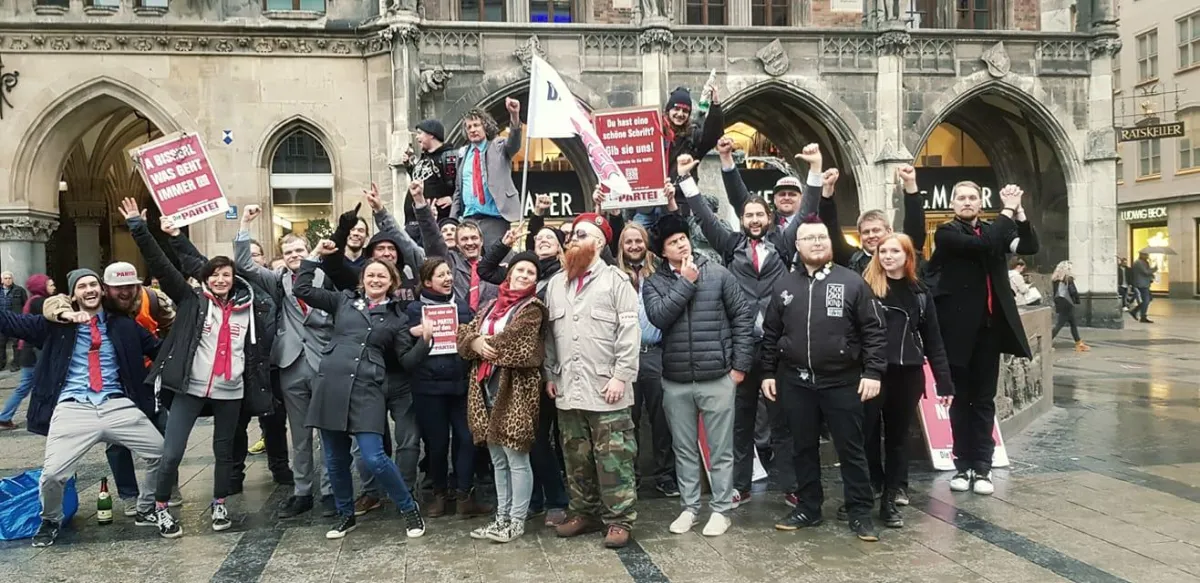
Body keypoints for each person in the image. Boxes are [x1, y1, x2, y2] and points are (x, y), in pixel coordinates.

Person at [121, 198, 276, 539]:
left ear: (234, 279)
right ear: (206, 277)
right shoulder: (192, 300)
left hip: (230, 390)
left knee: (225, 451)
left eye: (226, 275)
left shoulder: (249, 306)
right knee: (172, 452)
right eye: (215, 275)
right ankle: (161, 507)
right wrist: (140, 228)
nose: (220, 280)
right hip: (190, 387)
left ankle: (219, 504)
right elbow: (162, 265)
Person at [679, 146, 820, 507]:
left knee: (782, 419)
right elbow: (703, 216)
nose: (754, 220)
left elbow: (807, 209)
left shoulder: (783, 244)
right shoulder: (730, 245)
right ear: (741, 219)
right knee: (740, 421)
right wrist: (685, 178)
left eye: (760, 215)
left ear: (769, 218)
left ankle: (790, 485)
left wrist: (815, 170)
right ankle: (739, 484)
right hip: (741, 346)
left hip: (776, 347)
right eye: (749, 215)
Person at [0, 268, 161, 547]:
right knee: (53, 475)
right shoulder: (56, 325)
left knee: (161, 454)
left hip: (116, 404)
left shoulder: (122, 325)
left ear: (102, 290)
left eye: (93, 284)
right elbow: (9, 322)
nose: (89, 290)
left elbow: (161, 349)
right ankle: (50, 519)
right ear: (73, 295)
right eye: (82, 286)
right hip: (73, 407)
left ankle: (146, 508)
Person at [761, 216, 887, 542]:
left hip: (843, 381)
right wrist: (767, 373)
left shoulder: (852, 282)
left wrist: (873, 372)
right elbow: (771, 333)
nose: (817, 242)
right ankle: (808, 508)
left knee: (851, 449)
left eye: (822, 237)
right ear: (797, 245)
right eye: (810, 238)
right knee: (802, 448)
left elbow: (873, 331)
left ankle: (860, 512)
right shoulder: (784, 285)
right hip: (796, 382)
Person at [295, 244, 428, 539]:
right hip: (332, 383)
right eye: (371, 275)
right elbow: (302, 290)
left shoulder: (397, 317)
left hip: (368, 388)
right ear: (363, 279)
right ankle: (345, 515)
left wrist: (425, 341)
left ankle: (408, 508)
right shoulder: (344, 300)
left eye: (382, 276)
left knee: (374, 456)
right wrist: (313, 255)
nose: (375, 280)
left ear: (392, 282)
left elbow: (407, 361)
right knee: (334, 458)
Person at [644, 212, 754, 538]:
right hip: (676, 380)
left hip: (717, 376)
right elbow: (659, 317)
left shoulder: (718, 273)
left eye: (683, 239)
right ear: (662, 251)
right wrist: (685, 282)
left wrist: (739, 368)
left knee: (720, 449)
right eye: (672, 242)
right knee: (684, 449)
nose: (681, 245)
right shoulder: (654, 283)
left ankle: (721, 509)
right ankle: (690, 507)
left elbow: (742, 318)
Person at [925, 183, 1038, 496]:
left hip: (990, 329)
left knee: (984, 399)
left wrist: (1020, 212)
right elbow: (983, 245)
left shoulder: (993, 229)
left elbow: (1029, 246)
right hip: (957, 330)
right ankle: (963, 465)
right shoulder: (946, 233)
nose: (967, 202)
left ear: (980, 202)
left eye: (972, 197)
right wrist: (1007, 209)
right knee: (960, 400)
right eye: (961, 198)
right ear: (952, 203)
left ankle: (983, 467)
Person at [44, 261, 180, 513]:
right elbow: (54, 302)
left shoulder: (152, 300)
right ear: (107, 289)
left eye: (130, 286)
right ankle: (129, 495)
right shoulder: (94, 305)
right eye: (119, 288)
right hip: (105, 389)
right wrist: (65, 313)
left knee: (164, 437)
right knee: (115, 447)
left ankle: (165, 490)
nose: (125, 292)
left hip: (143, 377)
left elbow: (168, 335)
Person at [233, 205, 339, 519]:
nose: (294, 255)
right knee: (300, 434)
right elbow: (244, 265)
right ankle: (302, 491)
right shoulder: (278, 279)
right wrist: (244, 223)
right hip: (292, 364)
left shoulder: (327, 277)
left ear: (309, 251)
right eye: (289, 252)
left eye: (299, 250)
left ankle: (331, 490)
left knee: (330, 432)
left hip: (324, 360)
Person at [544, 213, 641, 549]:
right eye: (572, 234)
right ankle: (583, 512)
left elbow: (629, 333)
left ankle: (619, 519)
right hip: (569, 388)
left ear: (599, 243)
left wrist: (620, 376)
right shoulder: (556, 284)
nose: (573, 239)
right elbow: (550, 337)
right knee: (576, 458)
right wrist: (550, 373)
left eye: (581, 234)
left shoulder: (616, 281)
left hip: (607, 389)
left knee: (614, 458)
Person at [861, 233, 955, 527]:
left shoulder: (920, 293)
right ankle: (869, 488)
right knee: (864, 434)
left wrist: (944, 382)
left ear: (907, 257)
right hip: (872, 373)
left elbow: (934, 340)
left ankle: (890, 498)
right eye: (883, 251)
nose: (888, 256)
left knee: (898, 439)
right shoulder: (866, 288)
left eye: (894, 251)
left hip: (907, 372)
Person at [457, 252, 546, 543]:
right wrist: (473, 341)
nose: (524, 275)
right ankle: (501, 517)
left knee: (516, 458)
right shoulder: (490, 306)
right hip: (484, 389)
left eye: (531, 273)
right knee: (498, 460)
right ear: (510, 273)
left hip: (515, 392)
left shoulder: (533, 309)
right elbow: (463, 335)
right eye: (520, 269)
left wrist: (480, 344)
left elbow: (519, 347)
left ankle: (516, 521)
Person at [405, 258, 491, 518]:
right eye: (441, 275)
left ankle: (465, 495)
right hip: (428, 389)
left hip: (460, 387)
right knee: (437, 444)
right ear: (427, 281)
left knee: (467, 439)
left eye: (449, 274)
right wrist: (414, 333)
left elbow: (471, 337)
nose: (448, 279)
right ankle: (440, 495)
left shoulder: (462, 306)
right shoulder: (414, 309)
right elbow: (404, 346)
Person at [616, 222, 677, 497]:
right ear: (621, 246)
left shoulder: (660, 272)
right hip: (625, 357)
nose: (634, 246)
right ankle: (631, 476)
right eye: (628, 241)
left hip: (655, 353)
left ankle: (665, 475)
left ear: (646, 243)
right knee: (628, 419)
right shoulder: (614, 274)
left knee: (661, 418)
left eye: (638, 240)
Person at [817, 165, 927, 274]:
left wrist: (910, 185)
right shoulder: (852, 260)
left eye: (876, 230)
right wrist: (827, 191)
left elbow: (915, 229)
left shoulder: (903, 256)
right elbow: (831, 233)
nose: (871, 235)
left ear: (889, 231)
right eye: (866, 232)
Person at [412, 181, 500, 312]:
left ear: (481, 241)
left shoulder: (494, 268)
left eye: (474, 238)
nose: (470, 243)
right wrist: (420, 202)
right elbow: (433, 238)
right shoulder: (450, 263)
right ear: (457, 244)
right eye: (464, 239)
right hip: (457, 318)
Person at [451, 99, 524, 246]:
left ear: (485, 127)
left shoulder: (498, 146)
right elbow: (458, 190)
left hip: (495, 219)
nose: (472, 130)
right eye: (469, 127)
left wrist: (514, 115)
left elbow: (514, 143)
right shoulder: (462, 154)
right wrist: (452, 220)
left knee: (497, 256)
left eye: (476, 125)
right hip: (468, 220)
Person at [0, 274, 53, 429]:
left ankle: (5, 417)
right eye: (50, 285)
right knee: (30, 386)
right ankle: (5, 416)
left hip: (30, 351)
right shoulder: (39, 302)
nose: (54, 287)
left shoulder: (33, 300)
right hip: (33, 353)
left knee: (27, 386)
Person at [400, 119, 458, 244]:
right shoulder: (424, 157)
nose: (417, 137)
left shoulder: (449, 157)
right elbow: (425, 180)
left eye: (420, 133)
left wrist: (452, 198)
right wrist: (409, 166)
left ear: (431, 134)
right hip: (412, 223)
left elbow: (461, 184)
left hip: (433, 224)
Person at [1051, 261, 1090, 352]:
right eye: (1069, 268)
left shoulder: (1055, 279)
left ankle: (1079, 343)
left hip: (1060, 302)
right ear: (1066, 269)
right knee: (1060, 324)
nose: (1071, 270)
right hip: (1067, 303)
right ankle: (1047, 342)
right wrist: (1077, 300)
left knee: (1073, 324)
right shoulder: (1068, 278)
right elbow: (1073, 291)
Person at [0, 271, 29, 371]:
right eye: (6, 278)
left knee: (16, 343)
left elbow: (26, 305)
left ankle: (16, 364)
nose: (8, 280)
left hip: (15, 321)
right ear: (2, 280)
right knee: (1, 343)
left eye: (10, 278)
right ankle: (1, 363)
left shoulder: (19, 290)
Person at [1130, 251, 1155, 323]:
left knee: (1148, 299)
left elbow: (1148, 272)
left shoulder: (1145, 262)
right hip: (1140, 284)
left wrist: (1151, 276)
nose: (1147, 256)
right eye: (1146, 255)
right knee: (1146, 300)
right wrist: (1154, 269)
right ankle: (1142, 316)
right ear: (1141, 255)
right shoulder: (1138, 263)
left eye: (1147, 255)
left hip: (1145, 284)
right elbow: (1145, 272)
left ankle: (1135, 311)